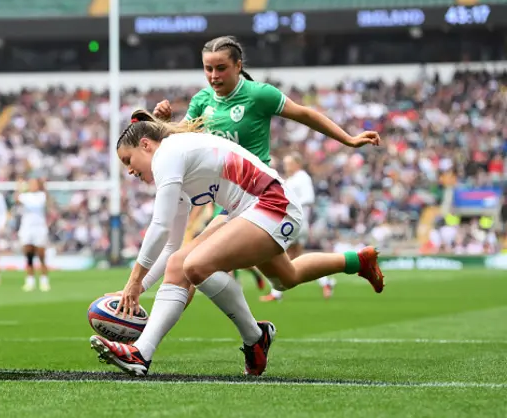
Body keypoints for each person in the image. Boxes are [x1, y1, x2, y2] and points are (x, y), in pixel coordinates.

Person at [90, 118, 385, 377]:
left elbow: (159, 226)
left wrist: (133, 281)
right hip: (245, 211)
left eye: (128, 160)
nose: (129, 170)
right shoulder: (173, 171)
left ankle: (248, 338)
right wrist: (138, 289)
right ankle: (357, 261)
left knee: (195, 265)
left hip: (272, 205)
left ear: (145, 145)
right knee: (285, 277)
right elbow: (170, 247)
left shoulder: (167, 153)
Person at [149, 35, 382, 298]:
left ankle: (148, 337)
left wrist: (348, 139)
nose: (213, 75)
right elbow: (182, 137)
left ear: (238, 66)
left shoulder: (259, 94)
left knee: (189, 264)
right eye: (208, 68)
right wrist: (164, 123)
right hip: (228, 199)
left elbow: (304, 114)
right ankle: (358, 261)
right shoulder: (203, 101)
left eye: (221, 68)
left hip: (257, 197)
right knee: (286, 278)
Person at [260, 152, 335, 301]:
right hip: (293, 222)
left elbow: (308, 198)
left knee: (278, 254)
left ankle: (277, 293)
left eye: (289, 163)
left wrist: (289, 205)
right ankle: (326, 282)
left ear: (298, 164)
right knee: (295, 257)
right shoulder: (293, 178)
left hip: (295, 223)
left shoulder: (302, 178)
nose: (286, 166)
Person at [14, 178, 51, 292]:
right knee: (28, 254)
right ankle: (30, 281)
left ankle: (44, 280)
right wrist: (19, 187)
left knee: (41, 255)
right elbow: (16, 200)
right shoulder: (25, 196)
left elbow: (47, 202)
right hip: (27, 228)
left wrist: (44, 186)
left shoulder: (41, 196)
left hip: (39, 228)